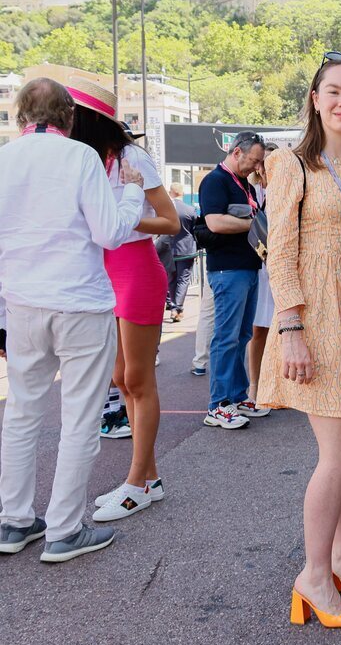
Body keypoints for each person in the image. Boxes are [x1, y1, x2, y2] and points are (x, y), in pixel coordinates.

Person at [258, 52, 341, 628]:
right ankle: (312, 576)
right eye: (333, 92)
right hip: (312, 319)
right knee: (340, 453)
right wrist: (290, 330)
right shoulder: (290, 164)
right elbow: (280, 250)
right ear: (314, 98)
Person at [0, 78, 145, 561]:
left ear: (21, 116)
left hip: (22, 301)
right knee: (80, 416)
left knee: (21, 413)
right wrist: (129, 196)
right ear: (67, 116)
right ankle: (64, 529)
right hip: (80, 301)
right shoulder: (80, 157)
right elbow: (109, 234)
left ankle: (14, 520)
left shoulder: (4, 158)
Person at [67, 77, 180, 523]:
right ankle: (148, 478)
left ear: (89, 120)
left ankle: (137, 484)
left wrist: (126, 221)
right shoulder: (87, 159)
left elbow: (171, 221)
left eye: (72, 116)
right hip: (102, 270)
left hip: (135, 268)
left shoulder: (132, 157)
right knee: (119, 377)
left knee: (138, 379)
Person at [199, 131, 269, 429]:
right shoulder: (216, 181)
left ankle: (236, 397)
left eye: (259, 162)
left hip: (247, 268)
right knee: (226, 337)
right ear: (236, 152)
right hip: (228, 270)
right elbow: (214, 221)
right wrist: (253, 224)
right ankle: (219, 404)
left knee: (241, 336)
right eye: (253, 160)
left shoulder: (242, 183)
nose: (255, 167)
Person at [247, 142, 279, 406]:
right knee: (259, 331)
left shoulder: (289, 189)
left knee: (285, 329)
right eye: (261, 162)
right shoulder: (252, 190)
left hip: (283, 267)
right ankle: (254, 387)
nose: (263, 167)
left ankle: (281, 388)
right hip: (261, 267)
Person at [167, 182, 198, 323]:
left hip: (168, 250)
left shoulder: (166, 210)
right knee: (183, 280)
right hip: (186, 250)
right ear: (182, 194)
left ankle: (173, 306)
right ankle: (177, 308)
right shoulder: (190, 210)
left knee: (171, 280)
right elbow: (194, 231)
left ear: (170, 192)